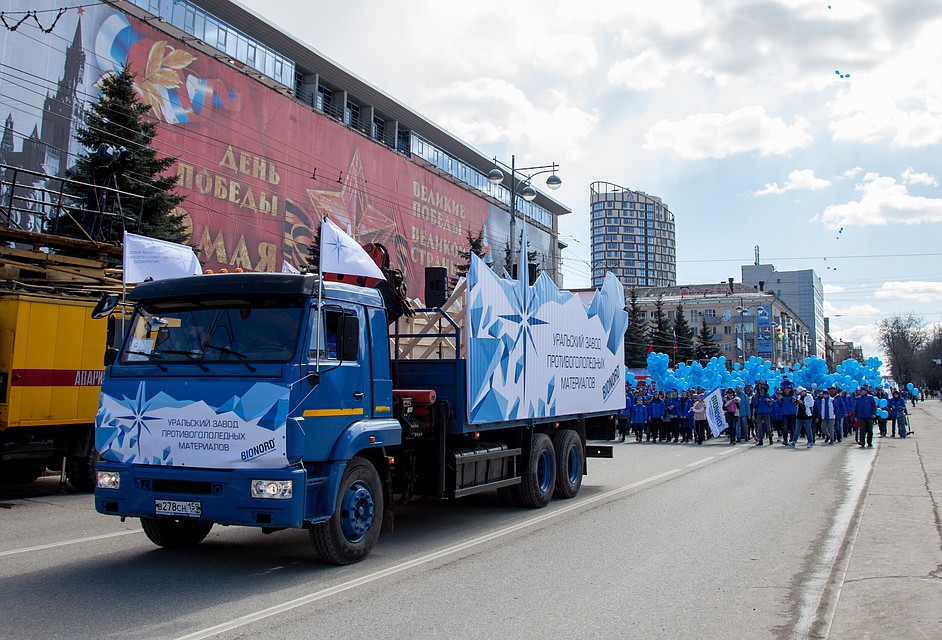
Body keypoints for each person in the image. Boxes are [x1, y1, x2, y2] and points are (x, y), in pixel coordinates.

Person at [751, 380, 774, 446]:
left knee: (768, 427)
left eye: (762, 390)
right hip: (759, 413)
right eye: (760, 390)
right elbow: (754, 406)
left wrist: (768, 401)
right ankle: (760, 441)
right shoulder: (757, 397)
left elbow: (771, 404)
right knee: (759, 428)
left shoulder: (767, 396)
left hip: (766, 413)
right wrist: (753, 414)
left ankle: (770, 439)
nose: (761, 391)